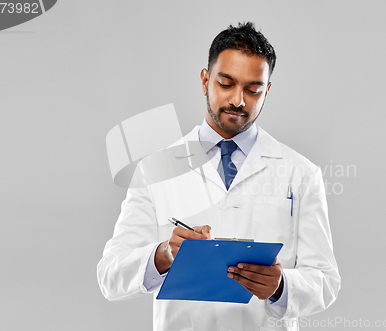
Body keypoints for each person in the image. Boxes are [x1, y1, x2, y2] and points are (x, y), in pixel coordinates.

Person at [97, 22, 340, 331]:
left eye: (253, 90)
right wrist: (163, 255)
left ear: (267, 91)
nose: (238, 100)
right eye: (226, 83)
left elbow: (326, 280)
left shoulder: (300, 173)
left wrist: (280, 287)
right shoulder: (156, 169)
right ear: (205, 80)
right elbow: (109, 276)